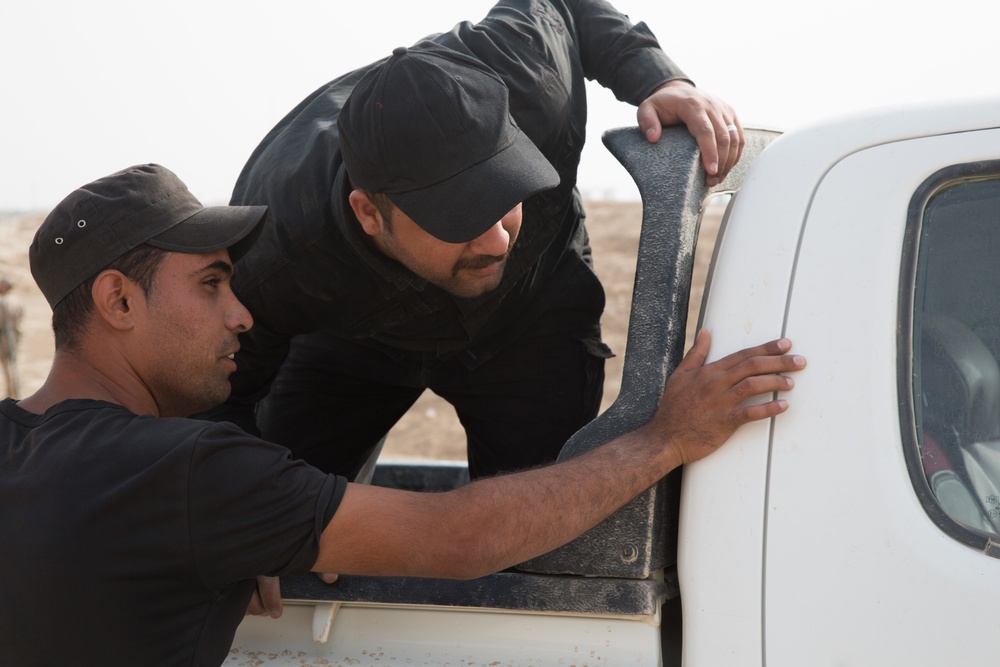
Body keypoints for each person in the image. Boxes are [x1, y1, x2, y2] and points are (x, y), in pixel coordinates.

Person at [1, 163, 803, 666]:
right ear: (117, 300)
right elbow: (460, 538)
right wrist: (664, 437)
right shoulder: (183, 473)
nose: (241, 315)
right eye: (211, 284)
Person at [213, 0, 747, 481]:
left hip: (532, 314)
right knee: (287, 528)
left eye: (504, 194)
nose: (495, 241)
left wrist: (659, 79)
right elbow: (222, 399)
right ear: (368, 214)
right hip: (350, 346)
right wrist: (248, 511)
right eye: (459, 218)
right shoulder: (274, 252)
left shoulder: (530, 74)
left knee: (544, 548)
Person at [0, 275, 23, 398]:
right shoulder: (16, 300)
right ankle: (16, 392)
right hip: (15, 333)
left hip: (4, 334)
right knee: (13, 362)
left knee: (6, 364)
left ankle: (11, 393)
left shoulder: (3, 301)